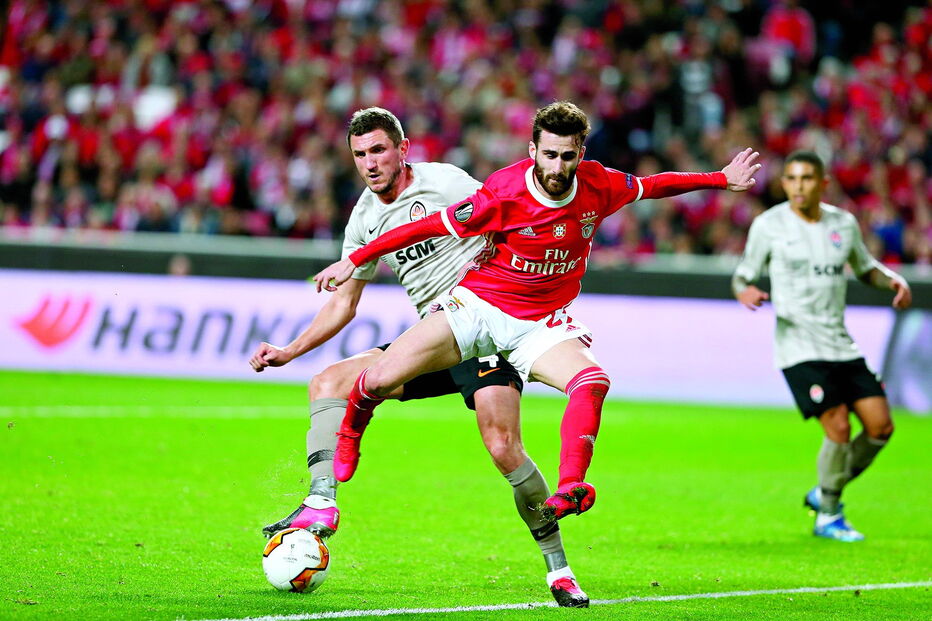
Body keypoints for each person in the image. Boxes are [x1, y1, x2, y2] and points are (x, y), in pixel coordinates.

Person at [313, 101, 760, 525]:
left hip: (539, 322)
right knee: (374, 381)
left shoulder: (599, 183)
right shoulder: (503, 192)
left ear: (580, 153)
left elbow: (655, 185)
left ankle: (571, 486)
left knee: (592, 381)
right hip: (479, 307)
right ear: (533, 152)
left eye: (568, 156)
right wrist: (357, 258)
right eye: (549, 155)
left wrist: (720, 179)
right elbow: (425, 226)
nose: (558, 167)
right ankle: (353, 428)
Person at [249, 107, 589, 607]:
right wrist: (289, 350)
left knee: (503, 449)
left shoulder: (446, 182)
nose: (370, 162)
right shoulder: (364, 217)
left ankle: (559, 570)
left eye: (379, 150)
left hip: (484, 328)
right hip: (432, 340)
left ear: (403, 150)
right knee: (327, 382)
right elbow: (344, 302)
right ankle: (321, 501)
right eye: (360, 154)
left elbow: (509, 209)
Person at [732, 150, 912, 542]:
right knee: (839, 427)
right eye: (792, 179)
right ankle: (829, 514)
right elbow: (742, 274)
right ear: (784, 185)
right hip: (798, 345)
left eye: (807, 178)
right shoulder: (769, 225)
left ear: (823, 183)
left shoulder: (843, 224)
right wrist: (745, 290)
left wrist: (893, 280)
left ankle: (825, 491)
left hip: (840, 342)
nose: (799, 186)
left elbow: (865, 268)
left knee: (881, 427)